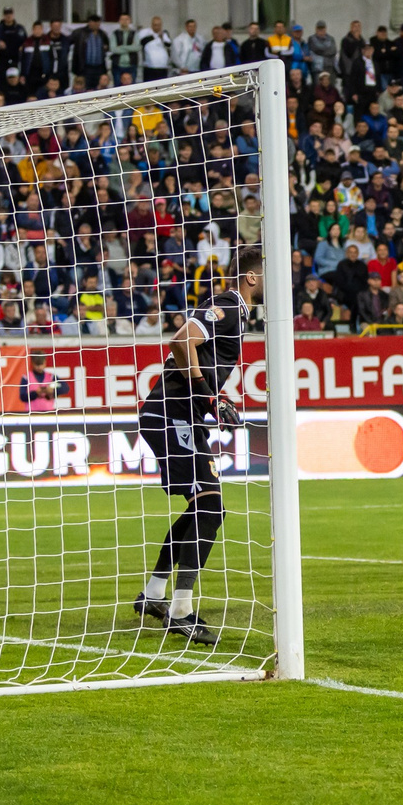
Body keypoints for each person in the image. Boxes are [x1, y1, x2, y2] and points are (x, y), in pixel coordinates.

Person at [131, 246, 264, 645]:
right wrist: (207, 392)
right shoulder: (227, 303)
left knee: (204, 506)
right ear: (253, 278)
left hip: (179, 414)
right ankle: (181, 611)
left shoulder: (237, 313)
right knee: (210, 507)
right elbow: (180, 339)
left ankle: (155, 596)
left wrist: (211, 397)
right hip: (173, 413)